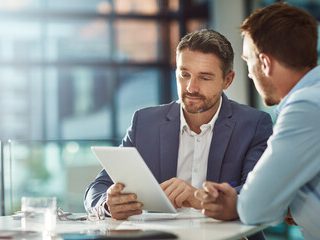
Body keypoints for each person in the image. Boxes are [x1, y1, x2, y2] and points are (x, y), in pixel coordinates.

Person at [84, 29, 272, 224]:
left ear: (227, 80)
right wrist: (108, 203)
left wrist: (198, 198)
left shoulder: (254, 125)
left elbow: (257, 193)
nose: (191, 87)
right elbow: (98, 187)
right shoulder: (145, 122)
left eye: (205, 77)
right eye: (184, 74)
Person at [195, 3, 320, 240]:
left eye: (248, 61)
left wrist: (238, 204)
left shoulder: (304, 107)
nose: (249, 73)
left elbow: (254, 208)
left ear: (264, 63)